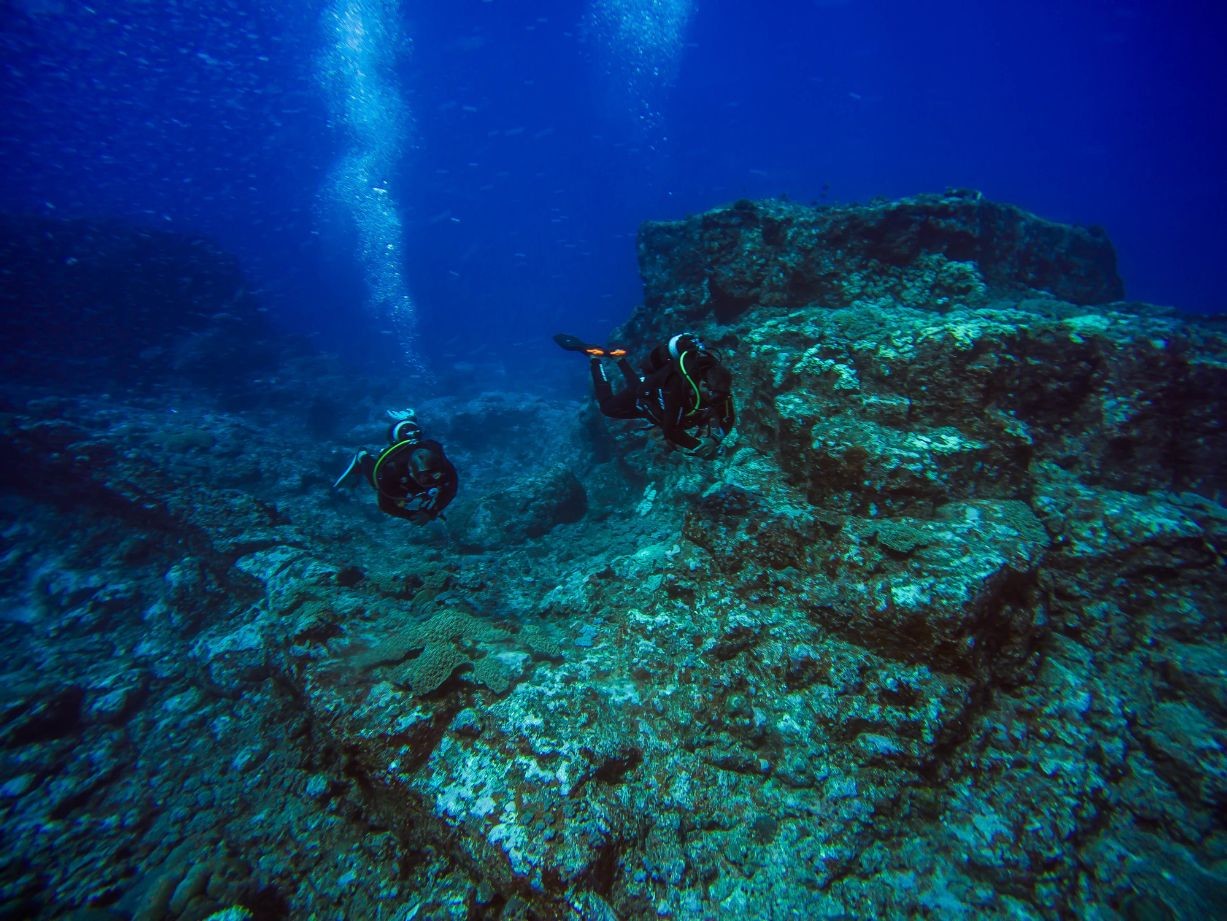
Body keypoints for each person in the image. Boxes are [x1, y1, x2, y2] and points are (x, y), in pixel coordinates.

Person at [555, 331, 735, 458]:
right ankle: (595, 358)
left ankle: (619, 359)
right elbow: (670, 430)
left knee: (641, 387)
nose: (715, 400)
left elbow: (728, 417)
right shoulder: (676, 388)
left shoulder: (718, 388)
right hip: (646, 395)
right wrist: (699, 447)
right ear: (703, 383)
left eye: (719, 396)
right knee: (607, 407)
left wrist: (715, 439)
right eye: (712, 395)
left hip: (653, 392)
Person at [333, 409, 458, 523]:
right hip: (396, 445)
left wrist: (431, 512)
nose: (432, 481)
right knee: (374, 481)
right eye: (425, 478)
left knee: (413, 434)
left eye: (436, 475)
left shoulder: (439, 461)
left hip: (412, 440)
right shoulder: (390, 472)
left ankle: (409, 421)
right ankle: (362, 456)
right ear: (410, 472)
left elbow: (452, 486)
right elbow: (385, 506)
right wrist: (410, 515)